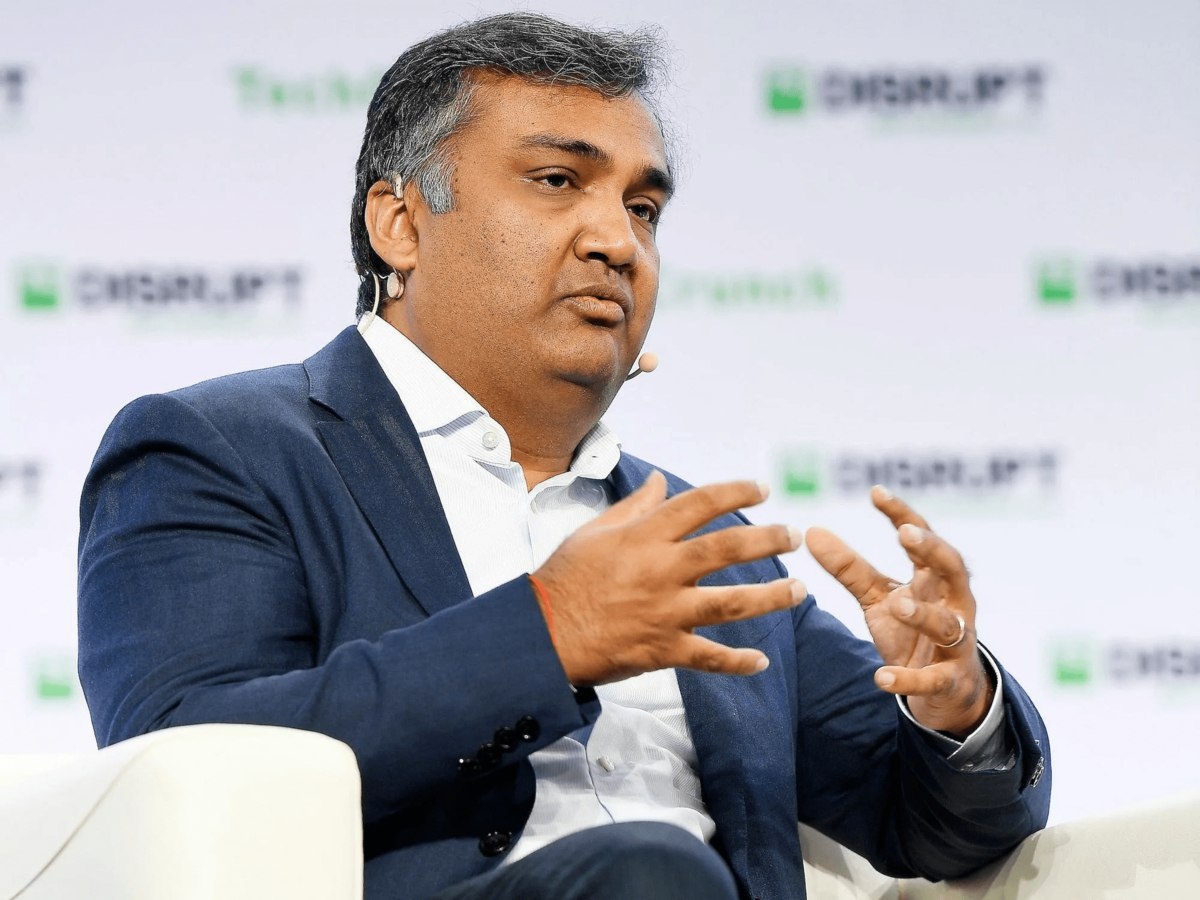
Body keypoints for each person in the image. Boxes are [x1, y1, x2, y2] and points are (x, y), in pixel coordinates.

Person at [77, 13, 1050, 900]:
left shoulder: (705, 543)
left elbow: (943, 832)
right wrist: (549, 633)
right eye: (557, 182)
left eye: (645, 208)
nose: (618, 242)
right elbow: (185, 776)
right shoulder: (222, 450)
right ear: (400, 223)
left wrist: (955, 707)